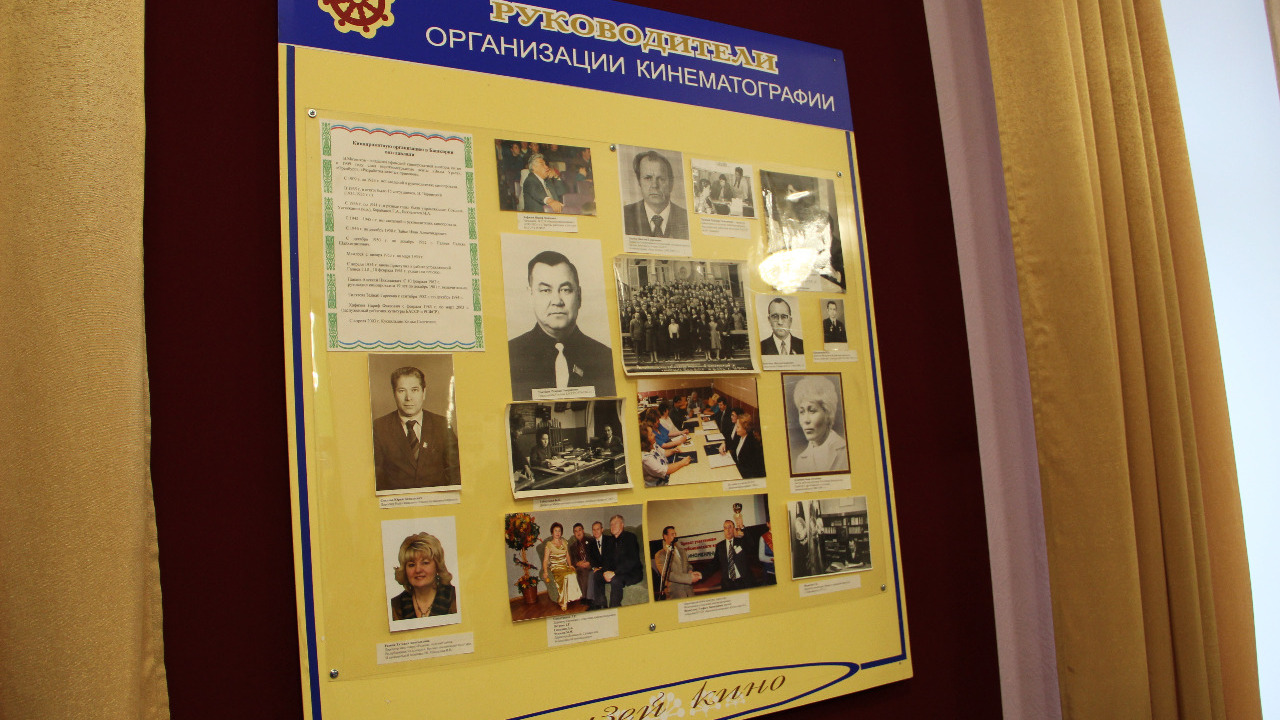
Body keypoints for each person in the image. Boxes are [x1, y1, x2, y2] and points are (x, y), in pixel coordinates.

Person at [508, 251, 615, 399]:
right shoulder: (510, 355)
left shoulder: (605, 358)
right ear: (530, 295)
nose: (557, 301)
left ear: (579, 296)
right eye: (545, 290)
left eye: (566, 290)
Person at [372, 367, 461, 492]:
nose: (408, 398)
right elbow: (376, 480)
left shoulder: (442, 425)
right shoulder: (379, 428)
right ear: (394, 393)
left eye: (414, 390)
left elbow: (456, 472)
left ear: (424, 393)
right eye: (401, 391)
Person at [390, 532, 457, 620]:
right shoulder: (395, 606)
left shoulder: (455, 599)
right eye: (411, 565)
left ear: (437, 566)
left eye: (425, 563)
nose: (418, 570)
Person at [622, 150, 689, 239]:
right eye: (648, 178)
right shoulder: (624, 215)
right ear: (639, 182)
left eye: (661, 179)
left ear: (671, 183)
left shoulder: (686, 217)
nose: (654, 185)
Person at [791, 375, 849, 473]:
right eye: (802, 412)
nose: (806, 420)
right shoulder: (801, 461)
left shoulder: (846, 451)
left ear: (828, 413)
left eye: (812, 411)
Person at [593, 515, 644, 609]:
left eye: (615, 523)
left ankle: (614, 608)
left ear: (622, 525)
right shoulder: (610, 541)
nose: (613, 526)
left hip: (631, 572)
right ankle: (601, 605)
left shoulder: (630, 537)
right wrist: (605, 571)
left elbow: (631, 561)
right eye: (611, 524)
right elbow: (606, 560)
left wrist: (614, 573)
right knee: (597, 575)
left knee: (616, 579)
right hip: (615, 571)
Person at [541, 522, 583, 611]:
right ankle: (563, 601)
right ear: (552, 532)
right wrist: (545, 571)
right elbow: (545, 560)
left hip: (565, 566)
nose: (558, 533)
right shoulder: (549, 545)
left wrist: (570, 565)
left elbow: (567, 556)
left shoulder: (564, 542)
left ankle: (571, 597)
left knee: (573, 573)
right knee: (566, 576)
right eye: (555, 531)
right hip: (556, 568)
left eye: (559, 531)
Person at [654, 526, 702, 599]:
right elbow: (667, 574)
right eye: (672, 534)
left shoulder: (682, 551)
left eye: (675, 534)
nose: (675, 536)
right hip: (675, 593)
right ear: (665, 536)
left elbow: (688, 565)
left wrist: (690, 571)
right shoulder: (660, 554)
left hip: (689, 591)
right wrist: (689, 578)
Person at [640, 420, 692, 487]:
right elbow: (665, 470)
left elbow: (663, 453)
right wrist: (682, 462)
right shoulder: (645, 458)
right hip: (660, 485)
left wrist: (673, 451)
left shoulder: (652, 444)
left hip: (668, 474)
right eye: (651, 434)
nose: (654, 434)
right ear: (645, 441)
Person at [720, 411, 766, 479]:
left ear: (745, 429)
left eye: (738, 427)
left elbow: (750, 469)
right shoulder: (741, 436)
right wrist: (724, 444)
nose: (736, 429)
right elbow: (732, 444)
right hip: (738, 470)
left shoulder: (751, 444)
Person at [713, 520, 754, 591]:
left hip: (743, 582)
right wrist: (702, 574)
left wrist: (742, 528)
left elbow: (751, 544)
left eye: (730, 527)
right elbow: (714, 564)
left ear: (734, 529)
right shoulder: (719, 546)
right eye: (725, 528)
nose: (728, 530)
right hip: (728, 584)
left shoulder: (741, 541)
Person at [569, 522, 595, 605]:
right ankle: (585, 597)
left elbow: (595, 554)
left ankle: (585, 597)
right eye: (575, 531)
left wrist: (589, 562)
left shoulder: (591, 540)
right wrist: (577, 563)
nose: (578, 532)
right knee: (581, 570)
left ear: (583, 531)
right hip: (580, 566)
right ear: (574, 534)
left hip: (591, 563)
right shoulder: (572, 546)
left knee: (584, 569)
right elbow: (571, 560)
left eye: (579, 530)